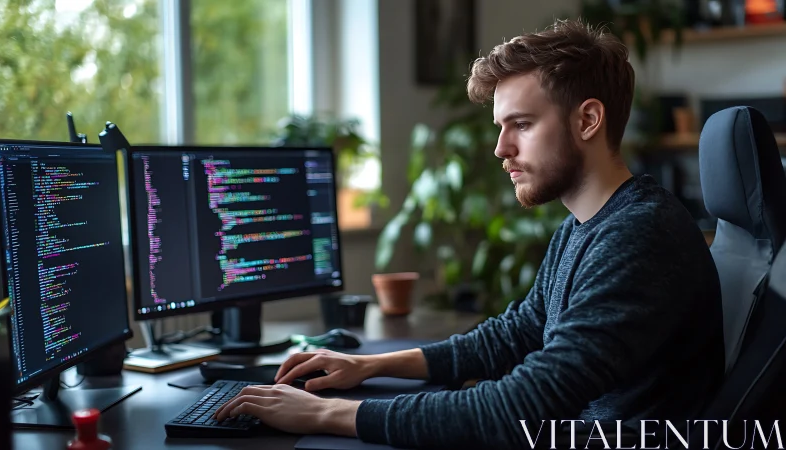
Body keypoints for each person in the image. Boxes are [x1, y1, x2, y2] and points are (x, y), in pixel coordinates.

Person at [212, 18, 725, 449]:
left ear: (588, 119)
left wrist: (325, 414)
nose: (501, 148)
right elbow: (516, 335)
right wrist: (367, 365)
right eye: (501, 127)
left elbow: (522, 407)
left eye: (522, 124)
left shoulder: (638, 236)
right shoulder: (588, 225)